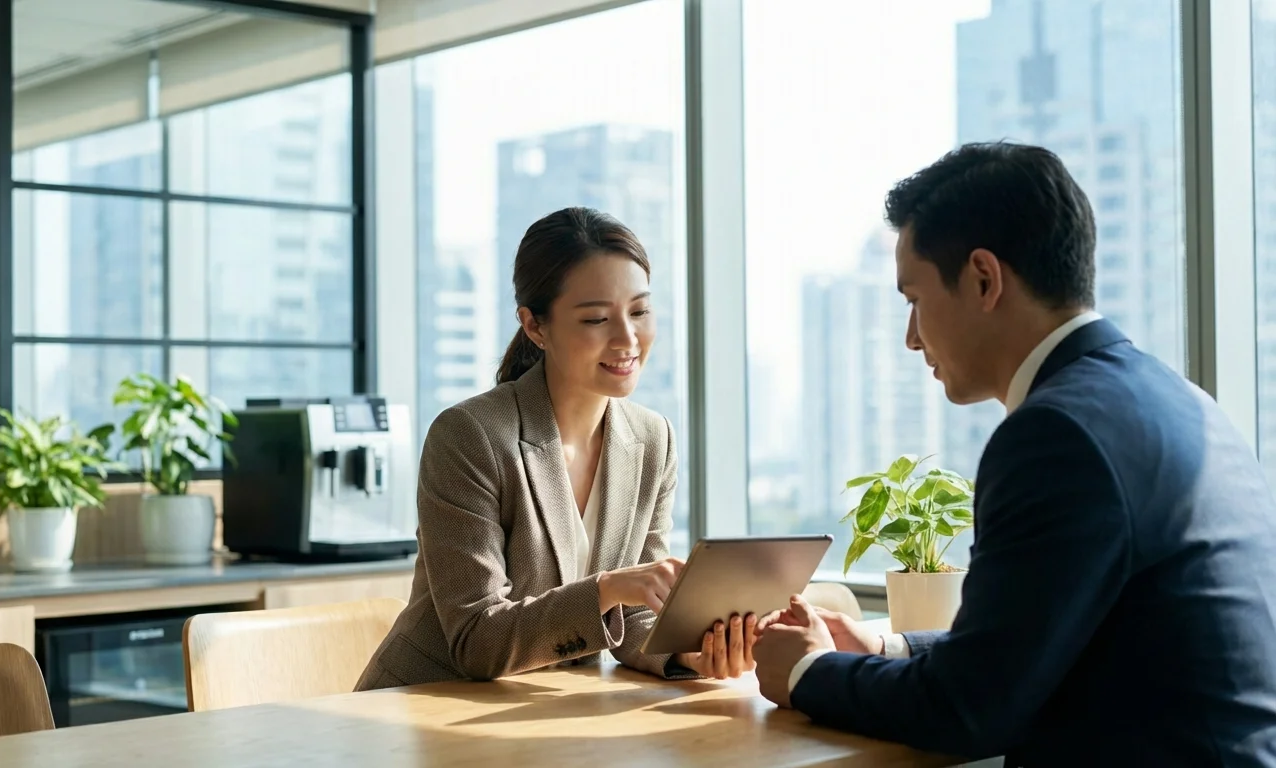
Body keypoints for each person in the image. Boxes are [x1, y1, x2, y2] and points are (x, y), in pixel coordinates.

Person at [753, 142, 1276, 765]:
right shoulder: (1175, 398)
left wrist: (807, 673)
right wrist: (881, 645)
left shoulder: (1056, 433)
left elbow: (967, 710)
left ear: (983, 278)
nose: (911, 337)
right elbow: (1038, 641)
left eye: (915, 299)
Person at [356, 206, 754, 691]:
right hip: (421, 706)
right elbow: (477, 640)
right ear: (535, 326)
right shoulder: (469, 435)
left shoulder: (653, 439)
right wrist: (607, 588)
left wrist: (691, 655)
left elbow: (634, 618)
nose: (627, 339)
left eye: (640, 311)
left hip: (545, 712)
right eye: (595, 319)